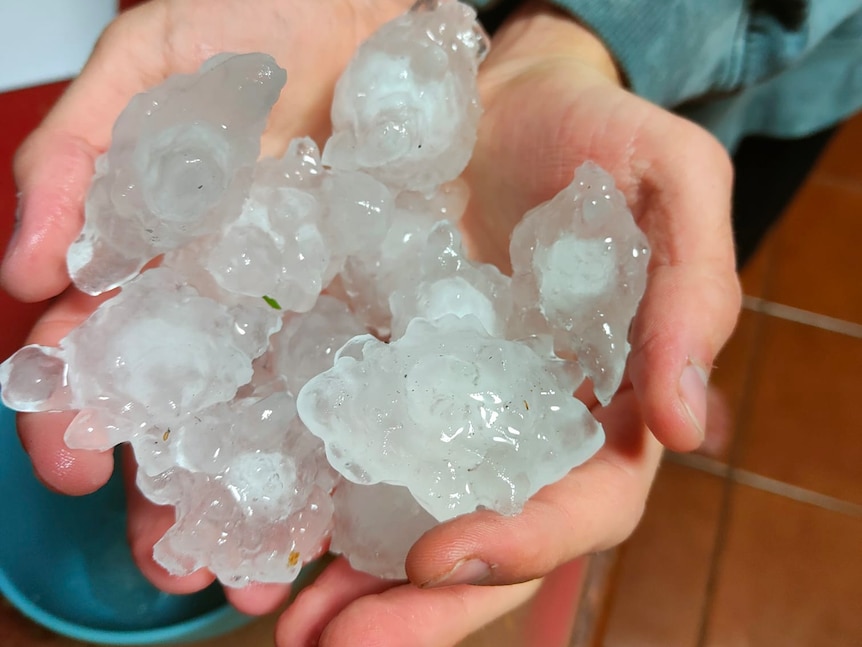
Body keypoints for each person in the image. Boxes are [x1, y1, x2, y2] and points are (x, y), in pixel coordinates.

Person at [2, 0, 858, 644]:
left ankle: (685, 366)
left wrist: (591, 27)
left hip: (773, 43)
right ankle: (680, 371)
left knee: (707, 233)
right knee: (674, 294)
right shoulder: (299, 247)